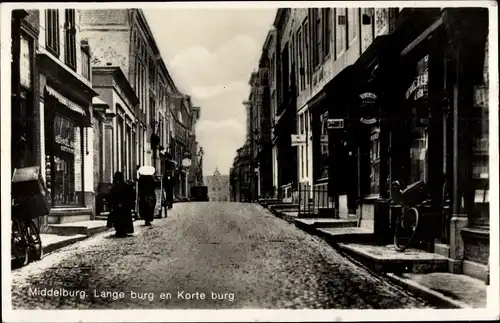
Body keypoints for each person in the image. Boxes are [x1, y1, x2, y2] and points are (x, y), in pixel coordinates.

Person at [108, 171, 135, 237]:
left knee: (118, 219)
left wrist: (111, 204)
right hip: (125, 206)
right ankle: (124, 231)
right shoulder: (127, 186)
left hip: (117, 206)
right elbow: (132, 195)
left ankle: (119, 231)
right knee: (125, 218)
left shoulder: (114, 187)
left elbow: (111, 196)